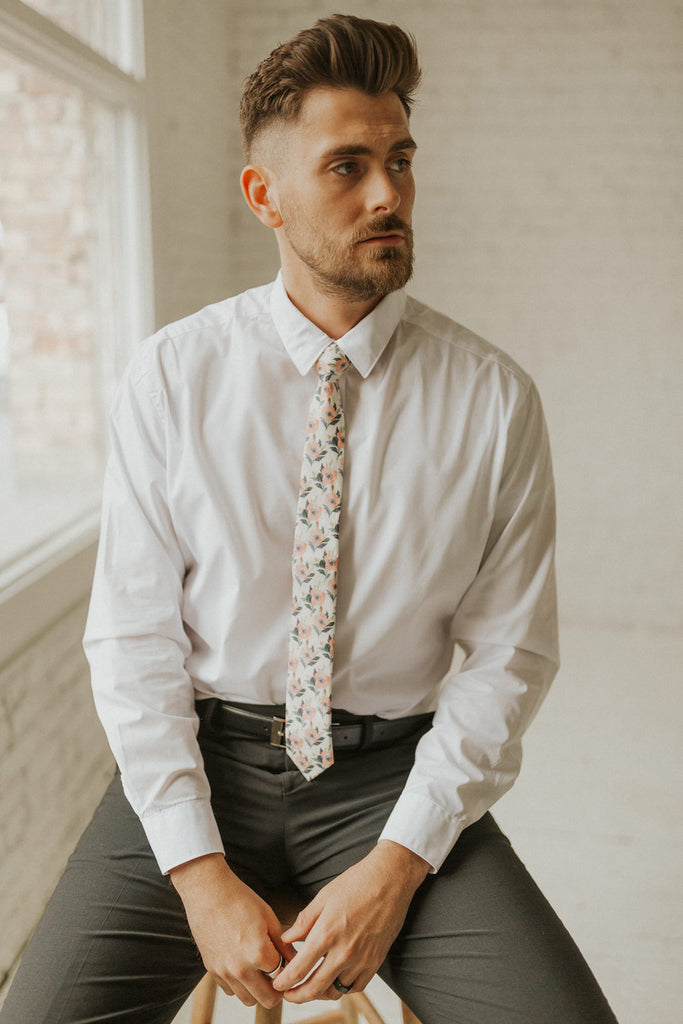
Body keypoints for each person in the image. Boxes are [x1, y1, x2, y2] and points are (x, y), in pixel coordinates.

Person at [0, 15, 618, 1024]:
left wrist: (400, 862)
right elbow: (131, 638)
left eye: (399, 159)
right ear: (265, 196)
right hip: (206, 762)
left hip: (390, 781)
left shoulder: (493, 400)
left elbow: (508, 657)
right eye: (346, 166)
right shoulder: (173, 375)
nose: (388, 194)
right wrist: (198, 874)